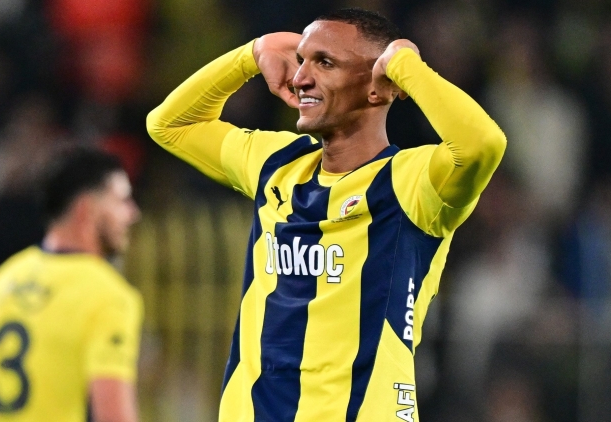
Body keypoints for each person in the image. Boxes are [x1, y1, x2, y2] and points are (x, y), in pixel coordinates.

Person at [147, 7, 506, 422]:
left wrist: (406, 66)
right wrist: (253, 54)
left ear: (377, 88)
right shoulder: (277, 164)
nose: (300, 78)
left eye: (325, 63)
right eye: (301, 60)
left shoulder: (412, 183)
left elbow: (482, 144)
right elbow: (169, 124)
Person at [0, 147, 143, 422]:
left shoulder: (1, 282)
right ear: (86, 209)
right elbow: (113, 417)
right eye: (121, 201)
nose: (133, 213)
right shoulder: (108, 296)